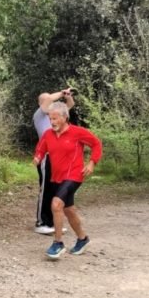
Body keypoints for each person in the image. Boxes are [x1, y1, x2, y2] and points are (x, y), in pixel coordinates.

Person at [33, 101, 102, 259]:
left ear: (65, 117)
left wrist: (92, 162)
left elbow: (96, 144)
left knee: (56, 204)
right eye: (51, 119)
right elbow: (41, 148)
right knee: (68, 209)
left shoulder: (78, 132)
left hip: (75, 175)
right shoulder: (48, 134)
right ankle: (82, 239)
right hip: (57, 176)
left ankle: (58, 243)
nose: (52, 122)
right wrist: (38, 156)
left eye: (56, 118)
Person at [32, 88, 76, 234]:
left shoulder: (55, 116)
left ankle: (52, 223)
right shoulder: (39, 115)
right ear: (41, 103)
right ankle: (41, 222)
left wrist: (68, 96)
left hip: (59, 157)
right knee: (45, 190)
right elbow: (49, 100)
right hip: (46, 156)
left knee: (56, 190)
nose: (52, 101)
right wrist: (61, 93)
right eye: (48, 99)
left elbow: (70, 105)